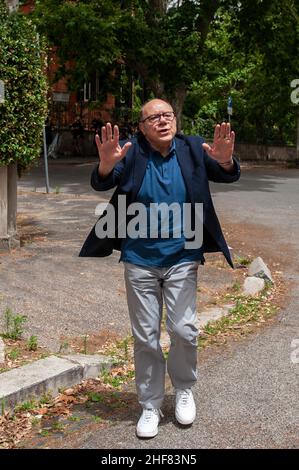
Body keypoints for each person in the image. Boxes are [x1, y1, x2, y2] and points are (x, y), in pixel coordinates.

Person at [79, 99, 240, 438]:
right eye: (154, 117)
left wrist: (225, 161)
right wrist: (106, 166)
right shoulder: (132, 151)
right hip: (140, 259)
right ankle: (150, 404)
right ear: (141, 127)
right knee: (146, 336)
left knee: (184, 329)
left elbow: (226, 173)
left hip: (183, 255)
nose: (163, 121)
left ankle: (183, 389)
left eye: (168, 115)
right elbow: (104, 180)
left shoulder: (194, 148)